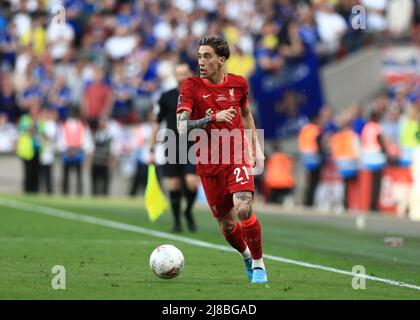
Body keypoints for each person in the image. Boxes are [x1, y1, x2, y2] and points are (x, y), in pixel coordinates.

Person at [175, 36, 267, 284]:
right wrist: (212, 117)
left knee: (244, 208)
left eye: (207, 56)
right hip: (208, 162)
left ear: (222, 59)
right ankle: (246, 255)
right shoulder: (190, 87)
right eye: (199, 56)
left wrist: (255, 148)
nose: (201, 62)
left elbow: (246, 115)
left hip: (236, 156)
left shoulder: (239, 84)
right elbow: (182, 127)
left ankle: (259, 265)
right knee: (227, 226)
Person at [149, 63, 199, 233]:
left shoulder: (198, 95)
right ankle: (177, 221)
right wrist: (151, 147)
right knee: (174, 184)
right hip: (172, 143)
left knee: (192, 183)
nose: (181, 77)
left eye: (184, 73)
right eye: (178, 74)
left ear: (190, 74)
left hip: (192, 143)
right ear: (174, 76)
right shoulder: (167, 96)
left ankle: (188, 211)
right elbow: (158, 121)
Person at [298, 114, 324, 206]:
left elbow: (301, 141)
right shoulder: (316, 129)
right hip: (314, 156)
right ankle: (310, 200)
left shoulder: (305, 128)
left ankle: (305, 199)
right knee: (314, 180)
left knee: (307, 179)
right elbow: (319, 142)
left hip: (305, 155)